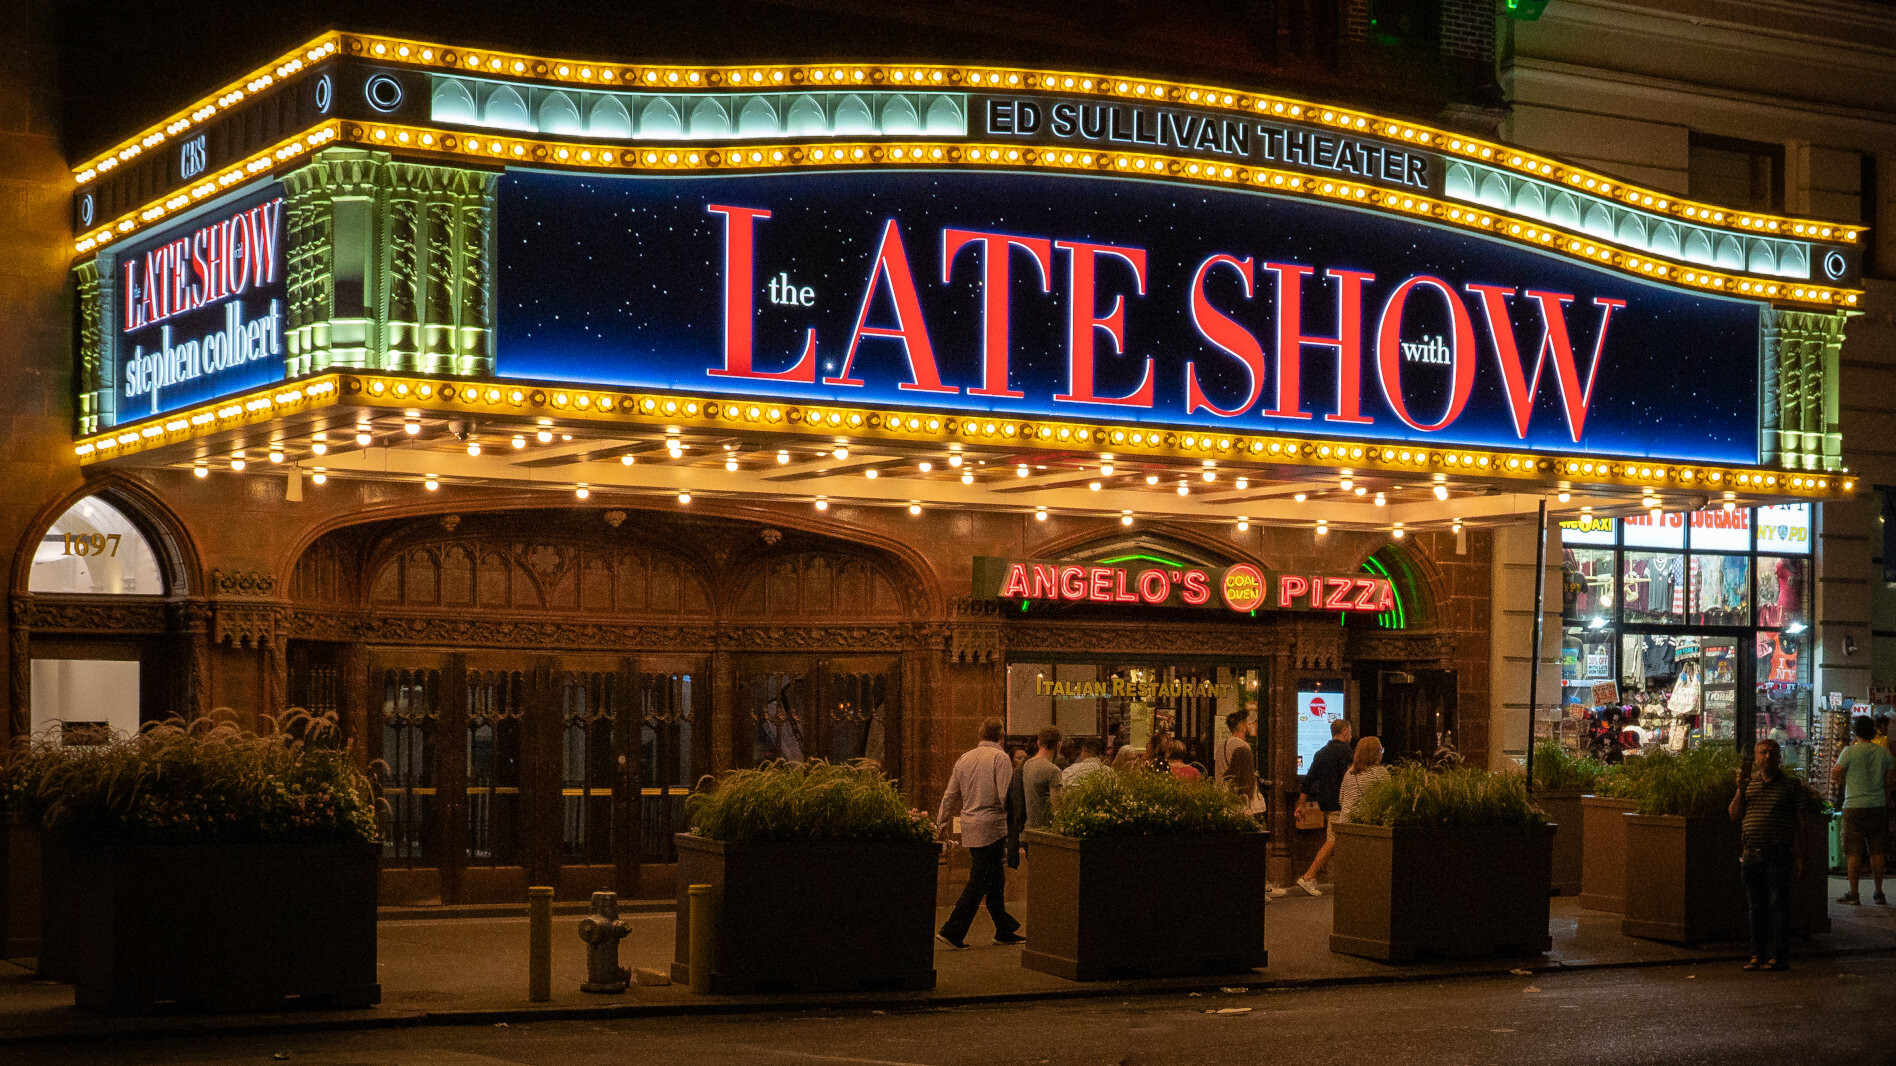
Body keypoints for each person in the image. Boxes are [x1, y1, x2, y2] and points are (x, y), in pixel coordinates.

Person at [936, 718, 1024, 949]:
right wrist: (1017, 823)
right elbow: (1005, 794)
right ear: (1001, 736)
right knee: (979, 881)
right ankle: (952, 930)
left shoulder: (965, 758)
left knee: (995, 879)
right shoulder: (1000, 758)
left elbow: (950, 795)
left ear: (980, 734)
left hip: (970, 825)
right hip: (992, 826)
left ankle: (1004, 929)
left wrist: (940, 823)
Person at [1730, 738, 1810, 971]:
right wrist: (1740, 789)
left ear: (1779, 757)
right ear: (1756, 757)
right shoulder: (1749, 784)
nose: (1767, 757)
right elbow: (1734, 815)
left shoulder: (1792, 786)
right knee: (1755, 907)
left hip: (1778, 855)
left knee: (1778, 905)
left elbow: (1802, 825)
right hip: (1751, 854)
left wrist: (1802, 857)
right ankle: (1757, 954)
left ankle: (1779, 956)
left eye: (1772, 753)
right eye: (1763, 753)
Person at [1832, 714, 1895, 905]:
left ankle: (1854, 893)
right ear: (1874, 730)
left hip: (1854, 807)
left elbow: (1835, 774)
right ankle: (1878, 892)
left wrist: (1845, 779)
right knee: (1877, 851)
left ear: (1856, 732)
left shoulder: (1849, 752)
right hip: (1877, 806)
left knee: (1854, 853)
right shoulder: (1885, 753)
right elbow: (1889, 782)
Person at [1295, 718, 1353, 896]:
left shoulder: (1321, 753)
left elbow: (1308, 780)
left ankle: (1343, 880)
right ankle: (1308, 876)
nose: (1351, 735)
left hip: (1326, 804)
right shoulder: (1348, 753)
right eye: (1350, 732)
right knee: (1333, 840)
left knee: (1339, 841)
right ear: (1344, 732)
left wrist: (1300, 805)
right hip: (1341, 804)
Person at [1337, 736, 1388, 823]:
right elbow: (1387, 800)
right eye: (1381, 750)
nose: (1382, 753)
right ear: (1375, 753)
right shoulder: (1380, 772)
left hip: (1345, 823)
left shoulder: (1349, 772)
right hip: (1365, 824)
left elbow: (1341, 799)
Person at [1021, 727, 1063, 831]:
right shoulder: (1053, 770)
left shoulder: (1027, 765)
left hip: (1029, 829)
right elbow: (1058, 807)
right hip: (1045, 831)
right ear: (1058, 745)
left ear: (1039, 743)